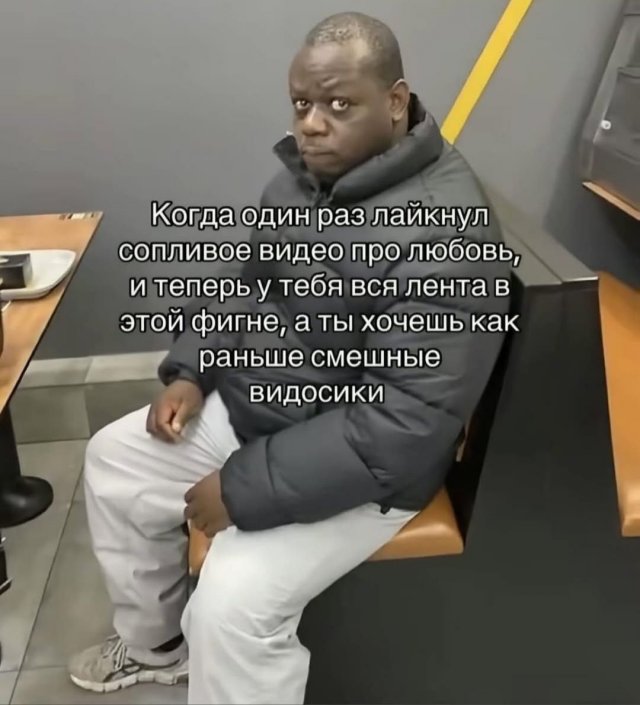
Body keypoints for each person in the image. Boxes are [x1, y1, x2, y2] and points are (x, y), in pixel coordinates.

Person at [69, 11, 510, 704]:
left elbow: (401, 426)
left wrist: (241, 487)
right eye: (302, 104)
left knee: (230, 608)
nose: (311, 125)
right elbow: (249, 285)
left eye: (338, 105)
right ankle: (158, 646)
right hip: (264, 416)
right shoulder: (304, 180)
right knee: (113, 461)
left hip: (366, 475)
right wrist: (191, 370)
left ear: (395, 102)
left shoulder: (446, 236)